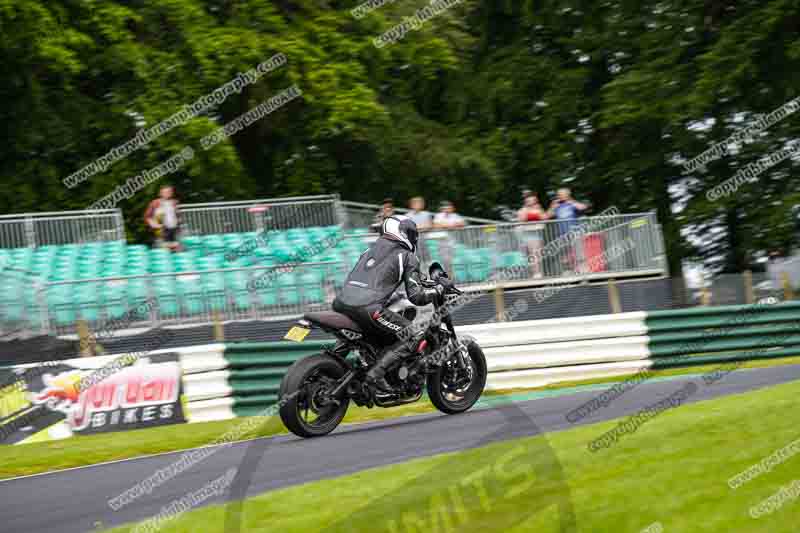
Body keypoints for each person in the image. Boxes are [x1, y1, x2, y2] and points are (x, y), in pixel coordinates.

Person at [332, 214, 449, 391]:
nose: (413, 237)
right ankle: (375, 375)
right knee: (411, 334)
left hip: (341, 303)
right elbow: (416, 297)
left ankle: (332, 365)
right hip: (368, 308)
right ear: (403, 233)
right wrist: (438, 290)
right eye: (411, 233)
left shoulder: (368, 251)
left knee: (362, 331)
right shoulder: (407, 256)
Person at [547, 187, 589, 271]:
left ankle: (583, 270)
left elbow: (583, 207)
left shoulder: (571, 203)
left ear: (568, 195)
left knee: (579, 251)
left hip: (574, 231)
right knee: (564, 254)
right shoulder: (556, 205)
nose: (560, 196)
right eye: (559, 194)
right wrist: (553, 206)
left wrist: (571, 201)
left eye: (563, 194)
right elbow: (547, 216)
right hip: (561, 233)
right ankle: (568, 270)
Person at [517, 191, 549, 278]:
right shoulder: (523, 210)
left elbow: (545, 217)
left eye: (533, 200)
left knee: (537, 254)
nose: (532, 202)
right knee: (532, 254)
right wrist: (529, 211)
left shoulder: (538, 209)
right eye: (529, 200)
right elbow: (521, 219)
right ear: (526, 201)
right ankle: (535, 273)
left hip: (538, 233)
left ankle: (538, 273)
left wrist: (539, 211)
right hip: (528, 234)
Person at [144, 185, 182, 251]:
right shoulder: (155, 203)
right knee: (165, 248)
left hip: (173, 229)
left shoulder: (174, 202)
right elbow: (147, 216)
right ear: (160, 193)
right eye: (166, 192)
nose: (168, 193)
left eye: (170, 192)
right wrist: (153, 224)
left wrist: (178, 222)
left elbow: (177, 215)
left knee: (177, 248)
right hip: (161, 230)